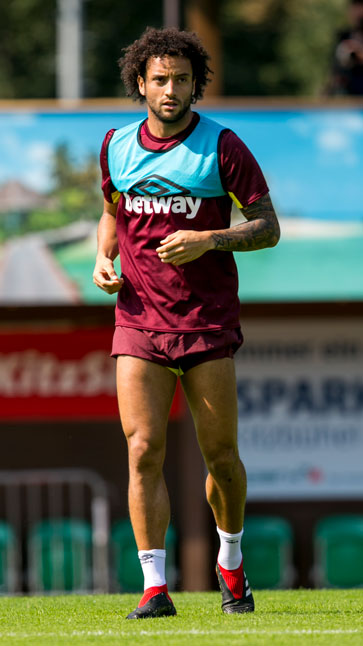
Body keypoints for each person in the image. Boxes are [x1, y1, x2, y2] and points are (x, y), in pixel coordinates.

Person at [93, 26, 280, 619]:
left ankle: (230, 561)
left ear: (196, 83)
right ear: (140, 84)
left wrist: (209, 239)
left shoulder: (223, 146)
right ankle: (154, 587)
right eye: (160, 80)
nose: (170, 90)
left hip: (205, 323)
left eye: (181, 80)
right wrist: (105, 256)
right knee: (142, 449)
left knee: (221, 456)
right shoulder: (115, 146)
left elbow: (268, 227)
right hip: (139, 320)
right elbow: (110, 209)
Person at [327, 0, 363, 95]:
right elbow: (336, 68)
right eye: (355, 7)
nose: (358, 12)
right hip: (348, 95)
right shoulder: (343, 36)